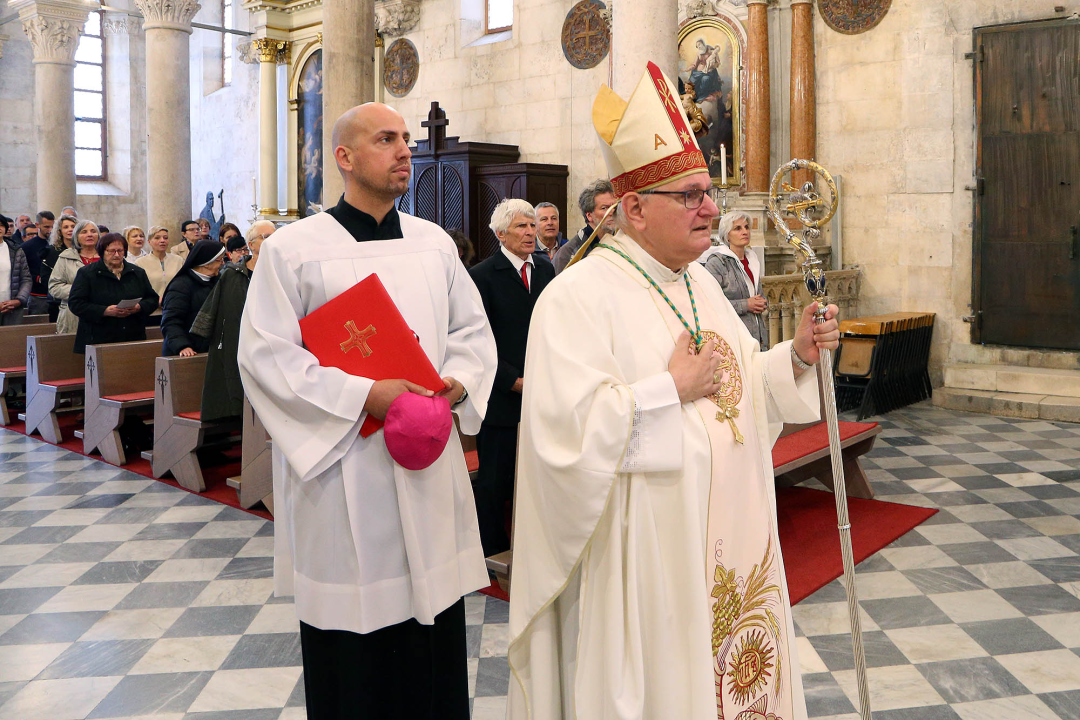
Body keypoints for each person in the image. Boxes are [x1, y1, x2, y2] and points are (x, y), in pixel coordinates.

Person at [506, 62, 840, 720]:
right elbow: (563, 441)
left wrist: (795, 357)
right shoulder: (577, 297)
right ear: (634, 209)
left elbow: (745, 392)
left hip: (726, 543)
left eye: (707, 192)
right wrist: (667, 389)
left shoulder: (701, 284)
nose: (712, 209)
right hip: (646, 568)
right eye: (690, 195)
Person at [237, 102, 497, 720]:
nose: (405, 150)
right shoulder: (294, 250)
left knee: (432, 640)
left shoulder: (434, 243)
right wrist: (364, 396)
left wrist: (455, 384)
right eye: (387, 140)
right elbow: (266, 358)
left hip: (426, 464)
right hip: (346, 467)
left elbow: (472, 332)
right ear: (345, 159)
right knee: (355, 655)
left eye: (406, 138)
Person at [468, 198, 555, 559]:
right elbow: (478, 339)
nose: (531, 233)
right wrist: (512, 380)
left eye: (533, 225)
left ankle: (531, 547)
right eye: (522, 226)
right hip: (501, 395)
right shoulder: (482, 276)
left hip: (542, 391)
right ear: (501, 233)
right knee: (495, 480)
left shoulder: (547, 270)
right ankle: (491, 552)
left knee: (536, 477)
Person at [191, 220, 275, 421]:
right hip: (240, 344)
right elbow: (217, 311)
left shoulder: (282, 272)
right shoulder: (233, 274)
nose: (272, 241)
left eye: (275, 236)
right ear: (251, 244)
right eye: (266, 237)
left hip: (272, 345)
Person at [67, 232, 159, 353]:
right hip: (99, 337)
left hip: (132, 335)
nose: (116, 255)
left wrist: (139, 307)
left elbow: (152, 299)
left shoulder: (137, 272)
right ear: (102, 252)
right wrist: (104, 311)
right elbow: (76, 303)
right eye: (111, 251)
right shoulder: (87, 273)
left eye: (120, 251)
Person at [701, 211, 769, 350]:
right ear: (727, 235)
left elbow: (756, 294)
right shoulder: (717, 263)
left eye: (746, 227)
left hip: (757, 334)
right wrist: (746, 305)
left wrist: (761, 302)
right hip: (733, 336)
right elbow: (710, 304)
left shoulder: (752, 260)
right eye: (738, 228)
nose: (745, 232)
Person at [159, 240, 224, 356]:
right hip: (186, 352)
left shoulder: (218, 282)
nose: (223, 264)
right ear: (207, 263)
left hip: (210, 349)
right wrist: (182, 346)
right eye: (220, 260)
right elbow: (171, 321)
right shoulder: (181, 286)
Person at [551, 179, 618, 273]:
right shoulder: (568, 253)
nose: (612, 212)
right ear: (589, 215)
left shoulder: (623, 242)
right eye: (604, 208)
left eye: (614, 206)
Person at [49, 219, 100, 334]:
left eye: (93, 231)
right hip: (72, 313)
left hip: (102, 312)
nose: (89, 234)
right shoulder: (65, 257)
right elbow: (54, 287)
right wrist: (81, 291)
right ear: (76, 237)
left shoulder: (106, 257)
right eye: (84, 232)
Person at [39, 212, 74, 320]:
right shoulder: (51, 251)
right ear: (60, 231)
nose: (70, 229)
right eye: (66, 227)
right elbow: (46, 278)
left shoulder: (82, 251)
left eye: (73, 227)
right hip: (57, 301)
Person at [135, 226, 184, 301]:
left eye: (165, 238)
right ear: (149, 241)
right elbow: (139, 289)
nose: (162, 241)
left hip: (175, 306)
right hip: (151, 309)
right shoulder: (140, 263)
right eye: (157, 238)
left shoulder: (178, 260)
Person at [1, 228, 31, 325]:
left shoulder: (16, 250)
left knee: (11, 339)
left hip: (12, 307)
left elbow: (26, 279)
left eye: (1, 225)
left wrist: (18, 300)